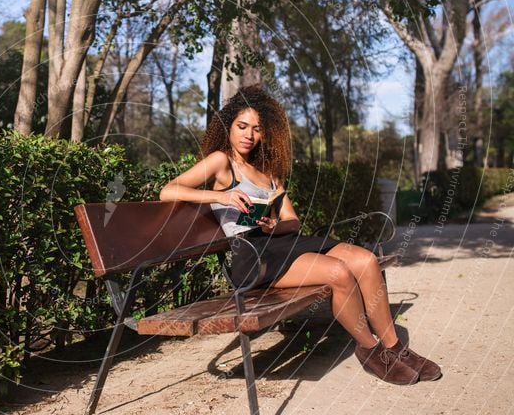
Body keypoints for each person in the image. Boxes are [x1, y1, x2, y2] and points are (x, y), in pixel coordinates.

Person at [159, 85, 441, 385]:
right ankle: (371, 352)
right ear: (228, 126)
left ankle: (396, 349)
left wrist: (273, 224)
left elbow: (291, 221)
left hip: (282, 241)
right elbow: (168, 191)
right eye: (242, 126)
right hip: (253, 254)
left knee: (367, 260)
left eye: (256, 129)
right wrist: (223, 198)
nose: (248, 135)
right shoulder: (220, 161)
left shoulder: (268, 172)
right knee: (338, 272)